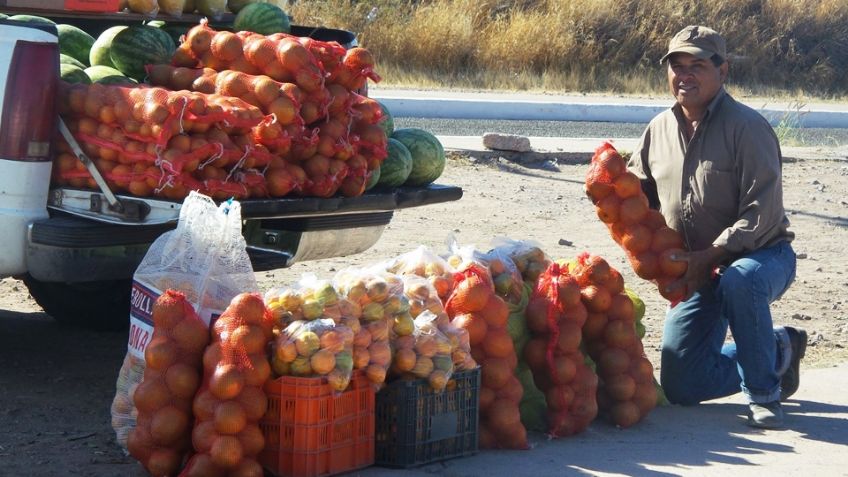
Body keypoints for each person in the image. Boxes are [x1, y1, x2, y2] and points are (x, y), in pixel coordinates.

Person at [627, 25, 807, 428]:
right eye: (676, 66)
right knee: (683, 384)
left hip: (761, 258)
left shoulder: (748, 128)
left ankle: (763, 394)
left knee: (739, 281)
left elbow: (761, 214)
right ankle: (778, 349)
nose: (684, 75)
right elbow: (639, 199)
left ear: (723, 72)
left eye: (697, 65)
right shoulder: (657, 129)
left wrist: (710, 255)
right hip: (699, 269)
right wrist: (611, 194)